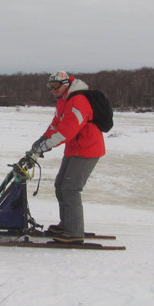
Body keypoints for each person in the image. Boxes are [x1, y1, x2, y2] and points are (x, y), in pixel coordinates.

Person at [30, 71, 106, 243]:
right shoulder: (63, 101)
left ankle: (74, 232)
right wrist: (43, 139)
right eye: (50, 87)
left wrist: (46, 145)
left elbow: (67, 131)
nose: (53, 90)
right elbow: (56, 125)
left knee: (70, 188)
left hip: (87, 149)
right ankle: (66, 224)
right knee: (60, 185)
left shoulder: (78, 101)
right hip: (74, 149)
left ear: (66, 84)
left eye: (56, 86)